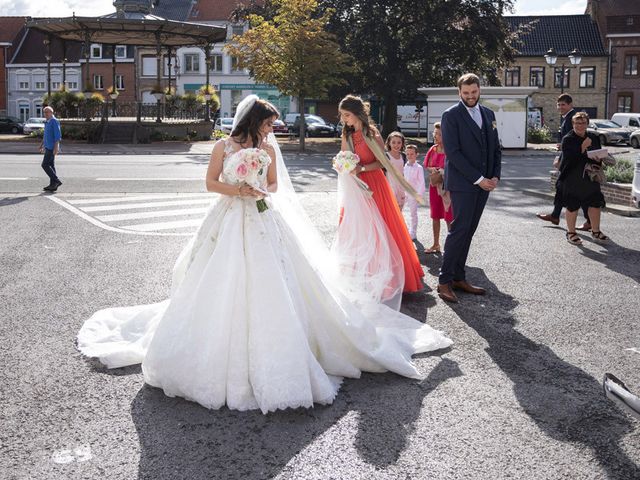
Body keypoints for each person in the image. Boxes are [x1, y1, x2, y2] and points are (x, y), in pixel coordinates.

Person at [77, 95, 452, 414]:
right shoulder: (223, 146)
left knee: (277, 277)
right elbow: (210, 183)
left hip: (261, 216)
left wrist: (257, 187)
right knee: (218, 277)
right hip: (227, 215)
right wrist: (236, 189)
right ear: (255, 121)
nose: (273, 130)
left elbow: (272, 185)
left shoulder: (268, 149)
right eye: (270, 124)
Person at [339, 95, 426, 293]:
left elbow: (382, 163)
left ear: (358, 114)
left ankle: (391, 277)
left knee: (383, 226)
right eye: (343, 116)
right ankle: (361, 276)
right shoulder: (347, 135)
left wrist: (361, 168)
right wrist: (342, 165)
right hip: (355, 186)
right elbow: (344, 157)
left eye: (347, 115)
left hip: (375, 183)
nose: (344, 120)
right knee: (358, 228)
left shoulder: (373, 134)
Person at [437, 73, 501, 303]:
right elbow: (453, 153)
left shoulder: (489, 113)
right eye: (466, 93)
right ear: (459, 93)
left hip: (485, 183)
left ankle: (459, 276)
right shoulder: (450, 115)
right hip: (464, 183)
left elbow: (495, 147)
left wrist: (495, 175)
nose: (471, 96)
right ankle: (444, 281)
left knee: (469, 230)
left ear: (479, 90)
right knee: (459, 230)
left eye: (474, 92)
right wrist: (478, 179)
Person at [536, 94, 590, 230]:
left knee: (576, 190)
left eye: (563, 105)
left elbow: (577, 139)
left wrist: (561, 155)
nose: (560, 107)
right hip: (569, 159)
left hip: (572, 162)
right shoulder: (566, 118)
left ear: (570, 105)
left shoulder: (572, 119)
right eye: (558, 105)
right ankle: (555, 215)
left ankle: (588, 220)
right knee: (562, 188)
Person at [556, 112, 608, 245]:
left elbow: (598, 155)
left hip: (590, 176)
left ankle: (596, 231)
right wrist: (582, 147)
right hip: (573, 177)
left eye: (583, 123)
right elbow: (568, 160)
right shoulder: (568, 139)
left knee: (595, 203)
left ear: (587, 124)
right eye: (577, 123)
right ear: (573, 124)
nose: (580, 126)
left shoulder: (593, 137)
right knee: (572, 205)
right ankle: (571, 232)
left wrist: (598, 159)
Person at [423, 122, 453, 254]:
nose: (436, 136)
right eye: (435, 133)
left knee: (449, 217)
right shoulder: (433, 149)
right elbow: (426, 165)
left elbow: (455, 167)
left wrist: (443, 171)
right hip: (434, 186)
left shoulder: (451, 150)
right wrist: (434, 169)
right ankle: (436, 244)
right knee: (435, 215)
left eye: (439, 134)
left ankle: (452, 247)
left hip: (447, 187)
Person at [402, 144, 426, 240]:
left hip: (413, 193)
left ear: (416, 155)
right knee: (402, 212)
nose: (409, 156)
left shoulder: (419, 168)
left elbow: (421, 182)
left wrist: (419, 195)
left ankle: (413, 232)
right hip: (405, 192)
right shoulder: (405, 166)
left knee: (413, 213)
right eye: (407, 154)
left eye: (412, 154)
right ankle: (405, 229)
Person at [40, 106, 62, 192]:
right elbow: (45, 135)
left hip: (52, 147)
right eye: (44, 112)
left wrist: (56, 147)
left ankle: (56, 180)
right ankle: (53, 185)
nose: (45, 114)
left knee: (44, 165)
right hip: (47, 146)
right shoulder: (47, 122)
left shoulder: (54, 121)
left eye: (47, 112)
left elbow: (57, 136)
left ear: (51, 113)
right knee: (51, 165)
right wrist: (41, 145)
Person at [385, 131, 407, 209]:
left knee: (400, 211)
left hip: (401, 188)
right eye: (393, 142)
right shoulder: (386, 156)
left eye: (399, 143)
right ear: (389, 143)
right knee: (391, 210)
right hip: (390, 187)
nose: (396, 145)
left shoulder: (403, 156)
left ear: (402, 144)